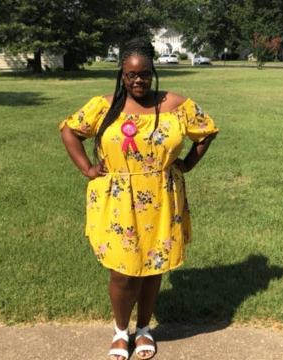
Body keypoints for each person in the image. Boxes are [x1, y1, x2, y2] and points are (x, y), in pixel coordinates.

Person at [60, 38, 219, 360]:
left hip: (162, 197)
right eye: (131, 75)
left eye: (144, 74)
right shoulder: (104, 106)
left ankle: (144, 328)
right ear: (121, 74)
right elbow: (69, 130)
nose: (138, 81)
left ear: (152, 72)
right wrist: (88, 168)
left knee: (152, 267)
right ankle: (121, 332)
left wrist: (186, 163)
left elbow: (207, 131)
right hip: (117, 198)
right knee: (122, 271)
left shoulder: (175, 104)